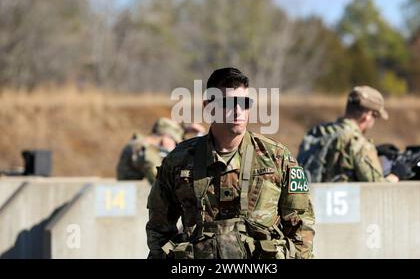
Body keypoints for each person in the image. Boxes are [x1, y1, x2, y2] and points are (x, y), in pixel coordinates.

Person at [146, 67, 315, 259]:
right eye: (227, 103)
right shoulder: (179, 161)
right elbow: (158, 229)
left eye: (244, 103)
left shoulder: (277, 158)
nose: (238, 110)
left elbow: (301, 228)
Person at [298, 85, 399, 183]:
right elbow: (377, 189)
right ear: (368, 116)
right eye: (375, 117)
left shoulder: (318, 132)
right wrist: (396, 174)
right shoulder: (359, 144)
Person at [116, 118, 205, 184]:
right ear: (165, 139)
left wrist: (185, 128)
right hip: (132, 200)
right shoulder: (147, 153)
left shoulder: (140, 143)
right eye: (175, 143)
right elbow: (161, 183)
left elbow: (163, 124)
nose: (175, 147)